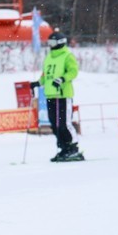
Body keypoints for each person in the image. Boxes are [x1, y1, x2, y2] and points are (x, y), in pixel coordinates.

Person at [30, 30, 82, 162]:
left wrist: (63, 79)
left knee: (64, 123)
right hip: (50, 94)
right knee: (54, 124)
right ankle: (63, 148)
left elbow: (73, 72)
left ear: (60, 42)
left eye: (52, 42)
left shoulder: (67, 56)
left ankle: (73, 148)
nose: (50, 45)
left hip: (63, 94)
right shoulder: (49, 57)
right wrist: (38, 82)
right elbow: (45, 75)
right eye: (49, 42)